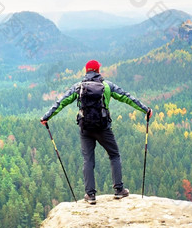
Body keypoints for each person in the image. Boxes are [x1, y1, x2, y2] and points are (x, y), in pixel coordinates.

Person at [40, 60, 152, 204]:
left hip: (85, 128)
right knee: (114, 155)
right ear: (98, 71)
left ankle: (90, 195)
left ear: (86, 71)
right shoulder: (107, 86)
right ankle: (119, 190)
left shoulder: (78, 87)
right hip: (103, 128)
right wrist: (146, 109)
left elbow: (61, 102)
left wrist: (46, 116)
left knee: (88, 160)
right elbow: (127, 97)